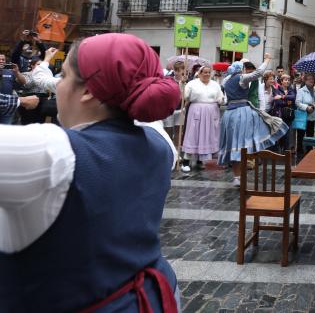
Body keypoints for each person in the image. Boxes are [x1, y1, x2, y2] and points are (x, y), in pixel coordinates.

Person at [0, 33, 181, 311]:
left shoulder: (51, 152)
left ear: (88, 92)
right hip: (150, 297)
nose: (58, 85)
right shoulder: (160, 144)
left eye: (64, 76)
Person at [219, 55, 288, 185]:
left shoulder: (226, 80)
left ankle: (237, 176)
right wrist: (267, 60)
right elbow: (259, 73)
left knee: (234, 144)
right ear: (242, 69)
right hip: (241, 113)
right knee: (245, 142)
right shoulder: (241, 78)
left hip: (229, 114)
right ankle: (242, 172)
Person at [180, 66, 225, 172]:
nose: (207, 74)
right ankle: (186, 161)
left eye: (209, 72)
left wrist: (222, 100)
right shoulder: (192, 84)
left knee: (206, 136)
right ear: (199, 73)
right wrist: (182, 84)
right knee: (193, 135)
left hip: (211, 113)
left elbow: (220, 97)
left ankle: (200, 160)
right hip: (196, 111)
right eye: (205, 72)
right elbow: (185, 96)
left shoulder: (215, 84)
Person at [293, 73, 315, 159]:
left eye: (313, 79)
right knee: (300, 135)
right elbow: (297, 103)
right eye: (309, 79)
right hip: (303, 116)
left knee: (310, 135)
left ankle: (309, 151)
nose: (311, 80)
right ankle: (300, 153)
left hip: (311, 116)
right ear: (305, 81)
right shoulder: (301, 90)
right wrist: (306, 107)